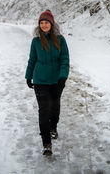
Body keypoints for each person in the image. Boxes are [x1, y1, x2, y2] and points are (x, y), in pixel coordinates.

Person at [25, 9, 69, 156]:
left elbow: (65, 60)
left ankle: (53, 127)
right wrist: (28, 76)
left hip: (56, 80)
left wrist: (62, 78)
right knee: (44, 110)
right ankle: (46, 143)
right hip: (40, 80)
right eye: (41, 23)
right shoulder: (36, 41)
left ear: (51, 23)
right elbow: (32, 59)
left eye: (46, 22)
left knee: (55, 106)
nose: (44, 25)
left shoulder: (60, 40)